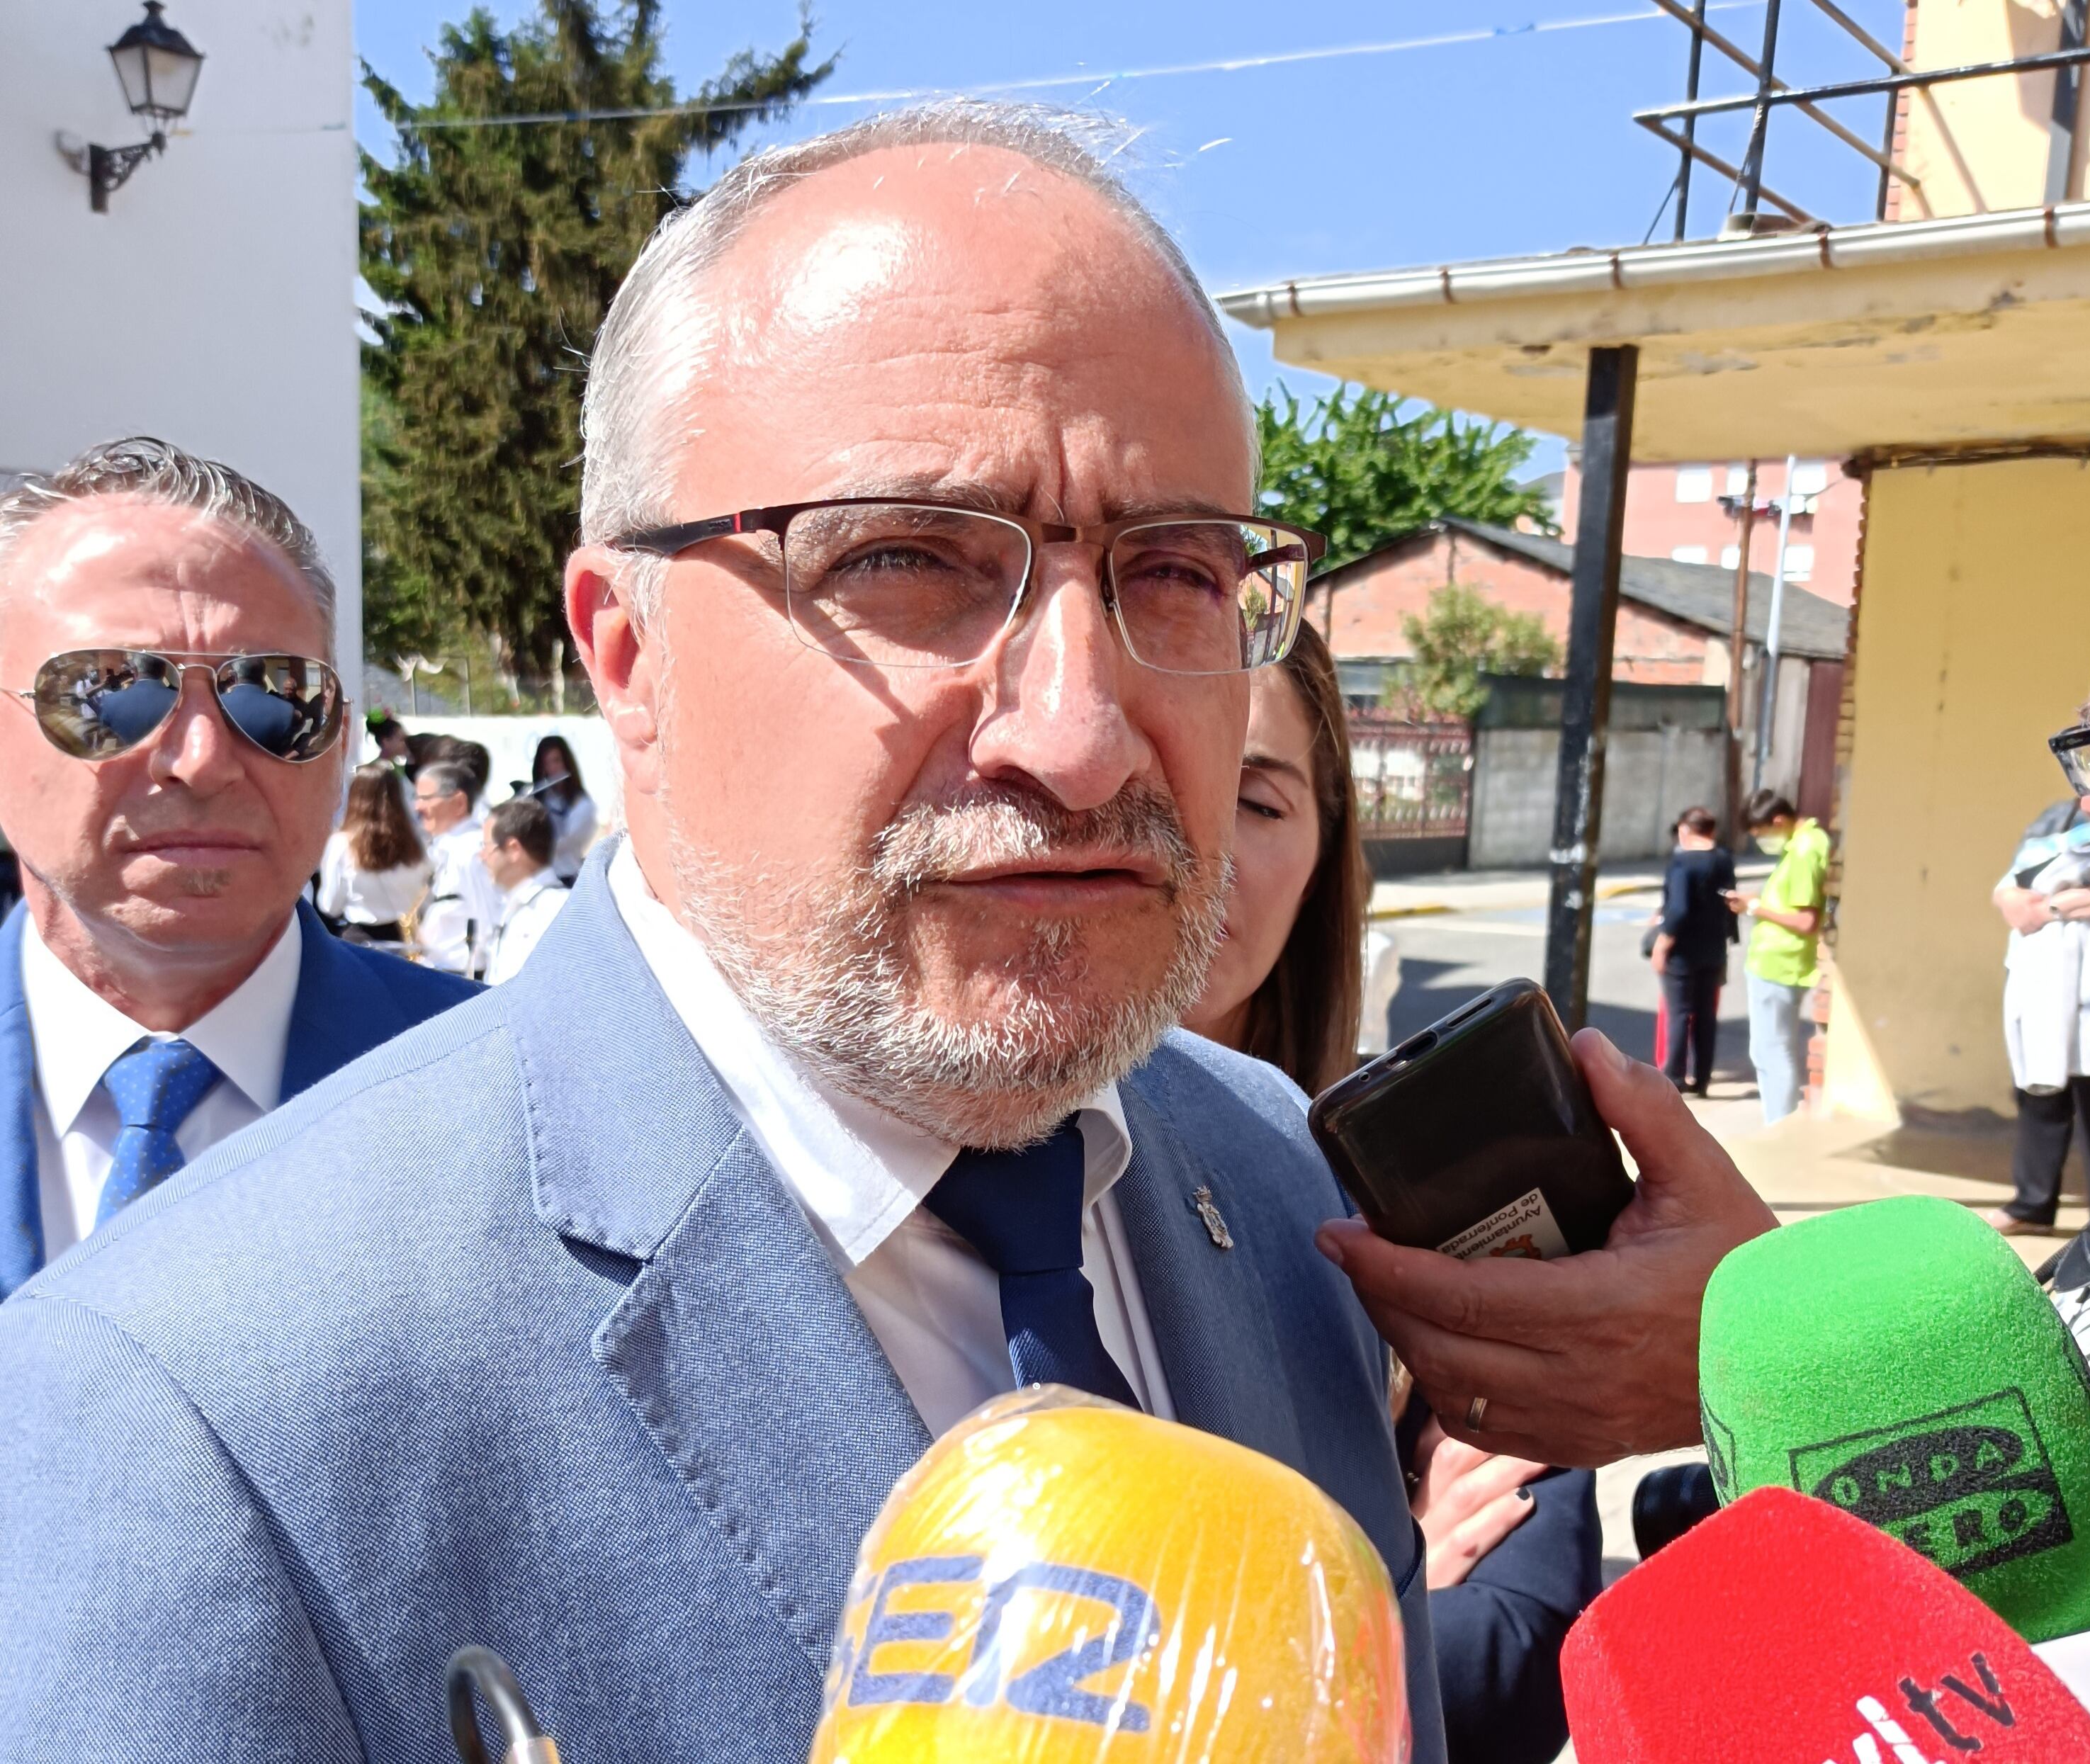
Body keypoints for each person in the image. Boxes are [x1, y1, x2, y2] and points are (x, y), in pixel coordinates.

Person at [0, 108, 1776, 1758]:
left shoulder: (1269, 1175)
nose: (1080, 734)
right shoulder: (182, 1410)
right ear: (625, 651)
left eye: (1175, 569)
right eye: (906, 561)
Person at [1182, 621, 1600, 1764]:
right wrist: (1367, 1592)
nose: (1194, 838)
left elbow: (1516, 1650)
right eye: (1150, 764)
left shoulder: (1439, 1159)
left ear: (1325, 855)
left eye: (1255, 800)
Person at [0, 436, 476, 1300]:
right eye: (108, 691)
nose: (202, 760)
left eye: (273, 696)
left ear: (339, 743)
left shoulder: (503, 1088)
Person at [1986, 796, 2090, 1236]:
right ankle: (2033, 1203)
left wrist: (2049, 909)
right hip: (2040, 975)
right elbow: (2011, 881)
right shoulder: (2057, 816)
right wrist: (2011, 900)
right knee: (2040, 1093)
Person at [1726, 790, 1831, 1125]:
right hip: (1781, 962)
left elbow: (1806, 920)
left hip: (1779, 963)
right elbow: (1792, 899)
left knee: (1772, 1053)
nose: (1760, 840)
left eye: (1760, 832)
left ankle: (1779, 1124)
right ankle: (1779, 1120)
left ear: (1778, 820)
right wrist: (1757, 900)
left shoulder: (1804, 852)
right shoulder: (1806, 842)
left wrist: (1756, 908)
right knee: (1772, 1050)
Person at [1649, 805, 1738, 1097]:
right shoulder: (1723, 859)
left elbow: (1679, 909)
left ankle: (1674, 1078)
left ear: (1685, 830)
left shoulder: (1682, 863)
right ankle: (1702, 1079)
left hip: (1683, 953)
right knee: (1705, 1016)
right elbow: (1728, 904)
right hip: (1713, 949)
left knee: (1679, 1014)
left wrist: (1662, 944)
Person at [315, 761, 431, 950]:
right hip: (406, 941)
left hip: (360, 941)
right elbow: (426, 897)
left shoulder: (341, 843)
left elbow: (330, 906)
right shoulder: (417, 841)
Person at [413, 757, 504, 976]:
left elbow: (491, 922)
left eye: (426, 798)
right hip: (437, 970)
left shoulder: (471, 852)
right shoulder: (444, 847)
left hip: (462, 975)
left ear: (459, 803)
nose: (418, 807)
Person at [480, 796, 568, 985]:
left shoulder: (557, 909)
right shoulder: (513, 905)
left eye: (486, 847)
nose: (482, 856)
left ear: (514, 849)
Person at [533, 732, 599, 882]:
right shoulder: (541, 800)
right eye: (546, 764)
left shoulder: (583, 805)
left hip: (567, 878)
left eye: (556, 761)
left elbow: (563, 843)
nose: (552, 769)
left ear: (567, 763)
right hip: (542, 878)